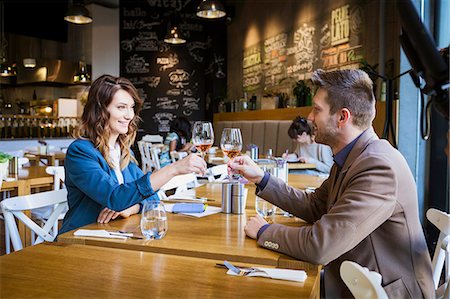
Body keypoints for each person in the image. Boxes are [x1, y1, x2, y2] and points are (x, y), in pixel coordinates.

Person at [228, 69, 434, 298]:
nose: (309, 117)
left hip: (382, 292)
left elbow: (320, 246)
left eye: (317, 109)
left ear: (342, 117)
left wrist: (265, 231)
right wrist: (261, 178)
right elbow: (315, 206)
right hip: (353, 281)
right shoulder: (354, 156)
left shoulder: (378, 167)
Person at [59, 75, 206, 235]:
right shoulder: (80, 152)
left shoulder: (122, 152)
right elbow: (115, 198)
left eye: (131, 107)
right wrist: (174, 169)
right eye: (121, 107)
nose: (129, 115)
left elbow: (154, 199)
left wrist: (132, 207)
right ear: (100, 110)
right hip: (79, 239)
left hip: (115, 236)